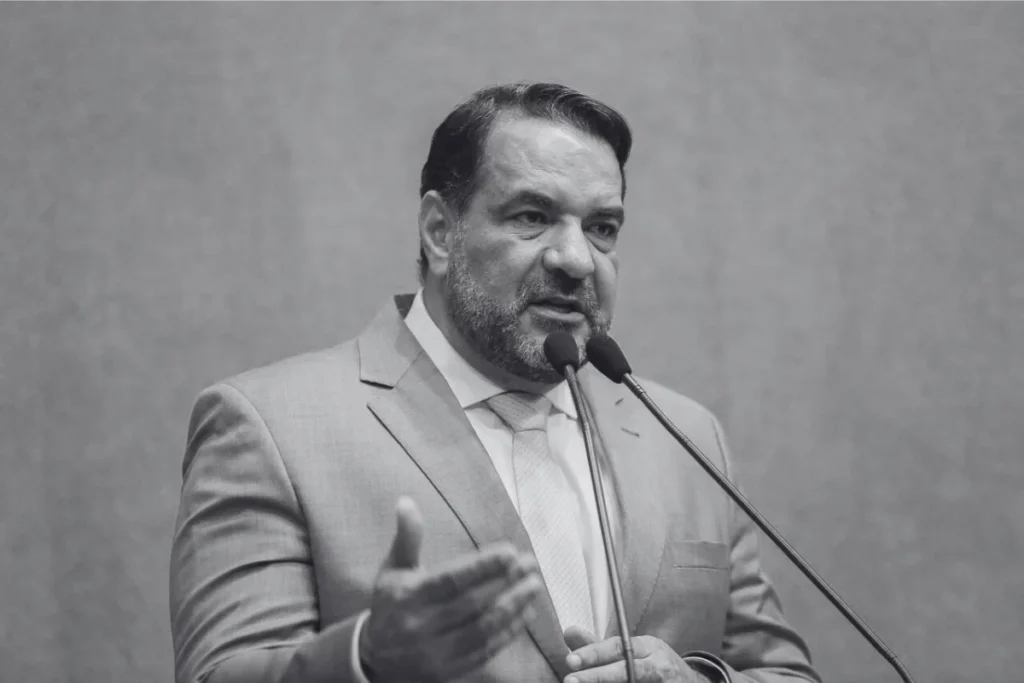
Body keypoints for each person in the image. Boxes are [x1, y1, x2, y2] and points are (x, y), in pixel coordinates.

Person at [169, 82, 820, 683]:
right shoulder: (271, 427)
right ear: (440, 232)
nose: (576, 259)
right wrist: (367, 658)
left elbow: (785, 673)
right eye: (532, 216)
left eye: (602, 228)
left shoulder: (684, 436)